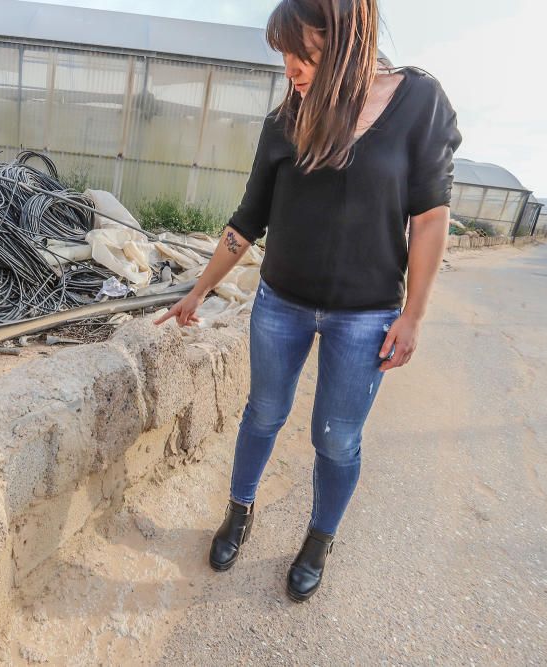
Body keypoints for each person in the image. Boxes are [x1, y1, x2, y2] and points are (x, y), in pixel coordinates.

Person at [155, 0, 461, 602]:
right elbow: (247, 223)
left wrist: (413, 316)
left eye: (306, 55)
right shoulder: (283, 122)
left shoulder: (418, 102)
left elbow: (429, 218)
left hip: (367, 315)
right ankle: (239, 513)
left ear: (348, 39)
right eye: (285, 56)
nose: (291, 69)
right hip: (281, 305)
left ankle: (319, 540)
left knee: (336, 437)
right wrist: (197, 291)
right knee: (263, 414)